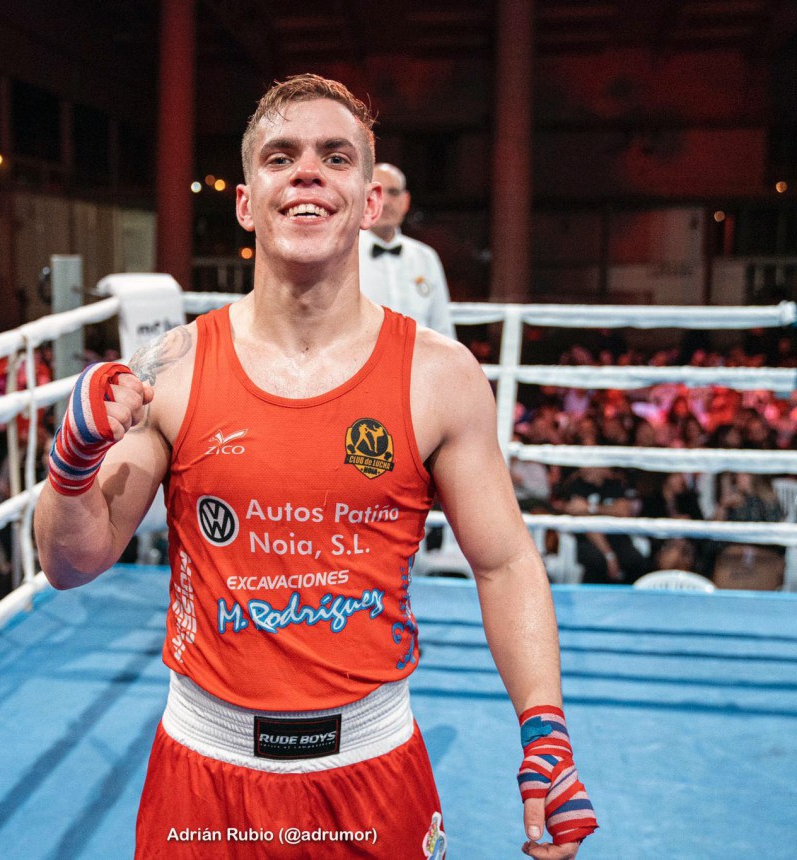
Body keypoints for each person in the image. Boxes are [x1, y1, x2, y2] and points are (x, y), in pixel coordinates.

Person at [34, 74, 596, 858]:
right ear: (244, 201)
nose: (307, 172)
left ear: (370, 201)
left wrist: (546, 731)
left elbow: (503, 562)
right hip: (203, 776)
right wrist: (71, 464)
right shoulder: (175, 365)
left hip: (372, 771)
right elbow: (69, 562)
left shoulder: (440, 375)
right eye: (281, 156)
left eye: (335, 157)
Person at [358, 162, 456, 338]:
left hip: (420, 363)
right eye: (376, 192)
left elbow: (442, 329)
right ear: (361, 199)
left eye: (393, 192)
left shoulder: (426, 257)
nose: (385, 202)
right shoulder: (342, 255)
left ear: (406, 201)